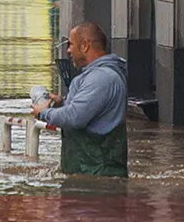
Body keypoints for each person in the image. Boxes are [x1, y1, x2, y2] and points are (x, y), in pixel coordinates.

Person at [31, 21, 128, 177]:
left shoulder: (101, 78)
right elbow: (86, 111)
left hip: (97, 179)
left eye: (70, 44)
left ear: (85, 45)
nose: (68, 50)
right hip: (88, 174)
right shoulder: (97, 76)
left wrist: (43, 113)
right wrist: (61, 103)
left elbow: (75, 117)